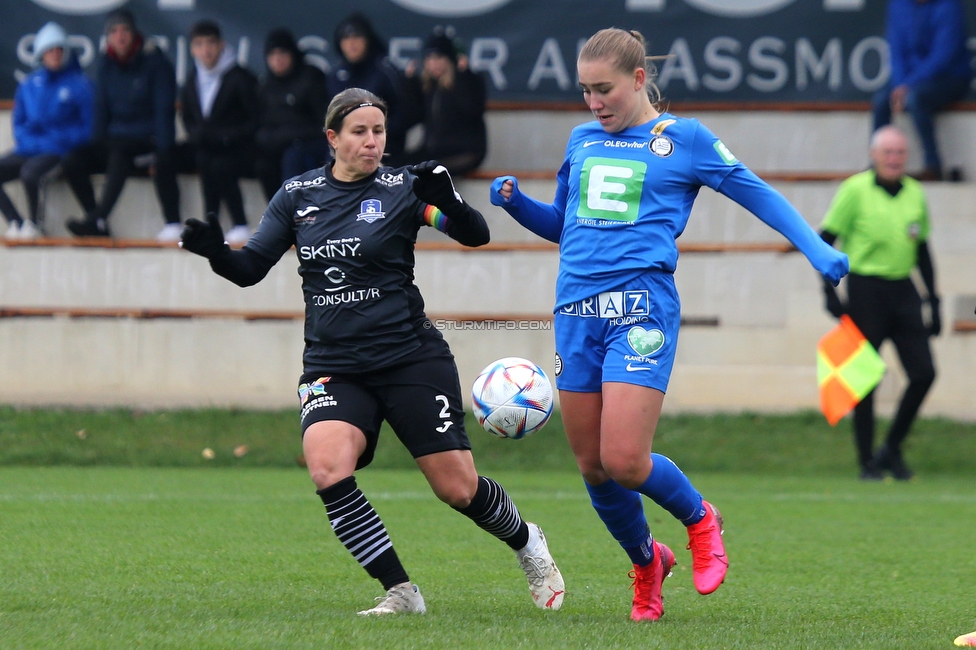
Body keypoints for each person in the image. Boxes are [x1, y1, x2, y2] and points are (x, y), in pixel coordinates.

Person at [489, 28, 848, 622]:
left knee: (626, 459)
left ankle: (701, 520)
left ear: (637, 80)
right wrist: (517, 205)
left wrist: (814, 248)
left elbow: (758, 195)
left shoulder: (683, 139)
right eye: (584, 91)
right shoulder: (580, 140)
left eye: (604, 89)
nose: (593, 102)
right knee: (593, 466)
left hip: (641, 309)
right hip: (576, 312)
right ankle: (645, 563)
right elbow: (565, 226)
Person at [179, 88, 565, 615]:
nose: (371, 142)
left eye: (379, 131)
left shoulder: (405, 188)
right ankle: (401, 593)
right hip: (334, 364)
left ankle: (528, 543)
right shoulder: (297, 195)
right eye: (359, 132)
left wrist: (448, 199)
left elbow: (474, 235)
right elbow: (249, 271)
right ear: (332, 138)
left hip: (409, 357)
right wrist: (215, 253)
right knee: (327, 466)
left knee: (457, 488)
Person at [819, 125, 939, 481]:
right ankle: (866, 460)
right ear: (873, 156)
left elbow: (922, 249)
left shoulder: (915, 193)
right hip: (865, 290)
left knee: (924, 373)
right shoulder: (855, 190)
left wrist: (934, 300)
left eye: (900, 153)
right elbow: (825, 240)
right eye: (887, 152)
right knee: (864, 379)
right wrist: (829, 293)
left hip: (904, 290)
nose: (893, 159)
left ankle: (892, 448)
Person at [61, 9, 181, 241]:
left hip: (146, 143)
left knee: (119, 154)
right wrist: (96, 147)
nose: (120, 36)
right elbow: (101, 110)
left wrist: (164, 153)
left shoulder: (156, 63)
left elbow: (164, 111)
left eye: (125, 29)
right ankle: (96, 219)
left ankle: (97, 217)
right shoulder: (106, 64)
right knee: (73, 160)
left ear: (134, 33)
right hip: (115, 141)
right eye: (114, 31)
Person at [0, 21, 92, 240]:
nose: (55, 54)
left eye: (60, 49)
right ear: (41, 54)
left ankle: (35, 224)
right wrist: (36, 144)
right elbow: (19, 125)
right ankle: (16, 222)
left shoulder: (80, 85)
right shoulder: (28, 85)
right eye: (50, 50)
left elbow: (88, 129)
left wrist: (55, 143)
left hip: (58, 151)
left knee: (30, 173)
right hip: (31, 149)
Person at [872, 0, 971, 181]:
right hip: (907, 80)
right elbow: (896, 50)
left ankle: (933, 166)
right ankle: (877, 165)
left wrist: (908, 85)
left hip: (948, 78)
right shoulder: (898, 4)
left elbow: (943, 56)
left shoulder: (949, 6)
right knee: (880, 100)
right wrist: (901, 84)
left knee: (916, 99)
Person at [180, 19, 259, 246]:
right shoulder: (192, 79)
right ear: (192, 49)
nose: (206, 50)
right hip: (206, 147)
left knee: (219, 164)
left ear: (221, 45)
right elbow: (188, 117)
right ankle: (204, 223)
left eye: (210, 43)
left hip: (239, 148)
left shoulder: (240, 77)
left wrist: (227, 137)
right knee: (175, 158)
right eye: (199, 44)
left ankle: (240, 223)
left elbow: (255, 119)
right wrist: (197, 135)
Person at [326, 13, 418, 168]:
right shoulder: (335, 76)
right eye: (346, 38)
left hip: (384, 148)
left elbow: (404, 115)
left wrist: (373, 133)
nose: (352, 43)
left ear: (368, 40)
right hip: (344, 148)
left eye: (357, 37)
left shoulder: (385, 71)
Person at [254, 28, 329, 202]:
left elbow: (325, 123)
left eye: (282, 53)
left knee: (292, 157)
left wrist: (290, 136)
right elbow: (260, 123)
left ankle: (296, 214)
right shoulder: (265, 86)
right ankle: (278, 215)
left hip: (311, 143)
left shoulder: (311, 78)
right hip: (279, 144)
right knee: (263, 163)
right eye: (272, 54)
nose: (277, 59)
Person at [405, 29, 487, 177]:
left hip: (464, 151)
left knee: (429, 171)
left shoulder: (467, 80)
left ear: (449, 60)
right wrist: (409, 85)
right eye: (429, 58)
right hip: (435, 152)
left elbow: (472, 111)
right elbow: (413, 116)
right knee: (401, 165)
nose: (433, 63)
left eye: (439, 57)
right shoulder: (429, 87)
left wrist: (463, 76)